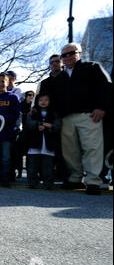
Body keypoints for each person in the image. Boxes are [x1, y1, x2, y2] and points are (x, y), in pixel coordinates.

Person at [44, 42, 111, 195]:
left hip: (89, 115)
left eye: (71, 53)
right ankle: (75, 178)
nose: (67, 57)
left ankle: (93, 181)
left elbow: (106, 86)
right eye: (64, 55)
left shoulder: (92, 67)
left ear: (79, 53)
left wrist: (101, 107)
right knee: (70, 151)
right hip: (66, 118)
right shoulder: (60, 77)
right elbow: (52, 98)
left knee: (92, 148)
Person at [38, 54, 68, 182]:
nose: (54, 64)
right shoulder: (45, 83)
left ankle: (66, 173)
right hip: (50, 118)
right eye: (52, 62)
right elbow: (39, 99)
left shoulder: (68, 78)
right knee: (51, 145)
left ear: (62, 63)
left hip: (66, 116)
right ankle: (51, 173)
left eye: (57, 61)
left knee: (66, 147)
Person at [25, 93, 62, 189]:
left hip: (49, 143)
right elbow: (29, 123)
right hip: (34, 142)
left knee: (48, 166)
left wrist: (51, 126)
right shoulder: (32, 113)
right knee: (33, 165)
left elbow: (57, 125)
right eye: (41, 100)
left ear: (50, 102)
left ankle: (48, 183)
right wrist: (39, 124)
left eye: (46, 100)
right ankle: (32, 182)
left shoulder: (54, 113)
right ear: (37, 102)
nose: (43, 102)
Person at [13, 90, 35, 178]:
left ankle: (31, 173)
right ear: (25, 96)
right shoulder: (21, 106)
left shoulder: (35, 107)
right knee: (18, 154)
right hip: (22, 132)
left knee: (30, 154)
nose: (31, 97)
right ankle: (19, 171)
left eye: (33, 95)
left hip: (31, 133)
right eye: (29, 95)